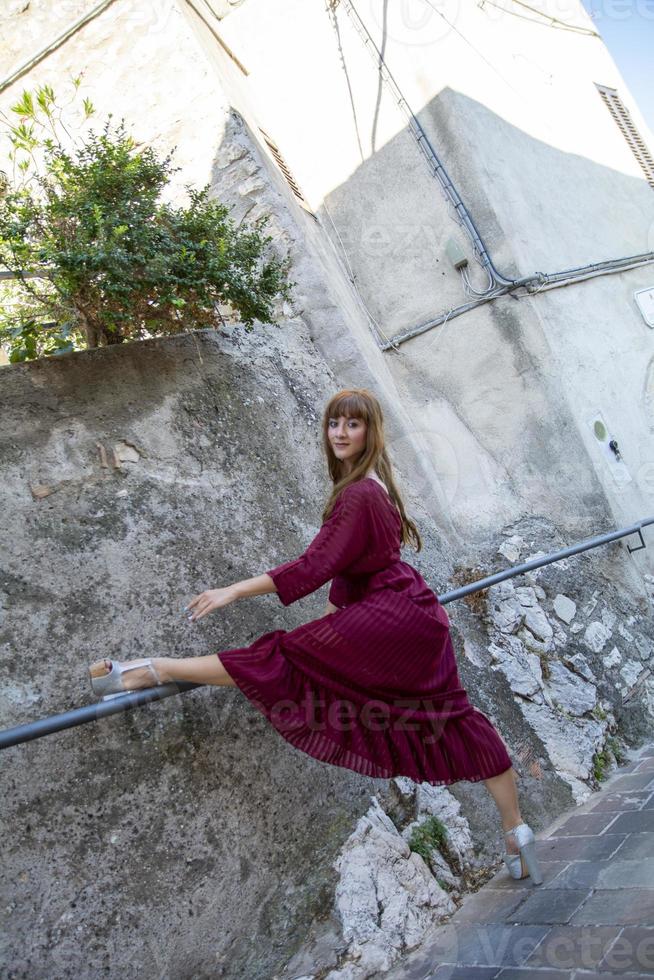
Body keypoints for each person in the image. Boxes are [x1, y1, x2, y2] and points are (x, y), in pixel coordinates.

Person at [88, 388, 543, 884]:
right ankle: (515, 831)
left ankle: (150, 669)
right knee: (453, 714)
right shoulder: (372, 487)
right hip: (413, 611)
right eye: (334, 424)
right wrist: (325, 622)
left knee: (278, 656)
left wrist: (234, 591)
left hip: (393, 614)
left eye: (352, 424)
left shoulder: (359, 493)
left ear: (370, 431)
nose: (341, 433)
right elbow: (345, 572)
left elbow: (316, 564)